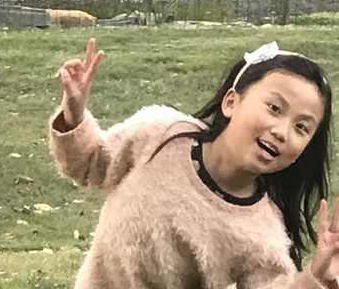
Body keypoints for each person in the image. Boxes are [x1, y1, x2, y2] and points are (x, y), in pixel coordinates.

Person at [49, 38, 339, 289]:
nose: (282, 132)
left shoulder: (262, 234)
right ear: (231, 102)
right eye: (274, 108)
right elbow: (90, 164)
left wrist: (316, 277)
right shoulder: (160, 132)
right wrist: (73, 115)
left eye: (301, 127)